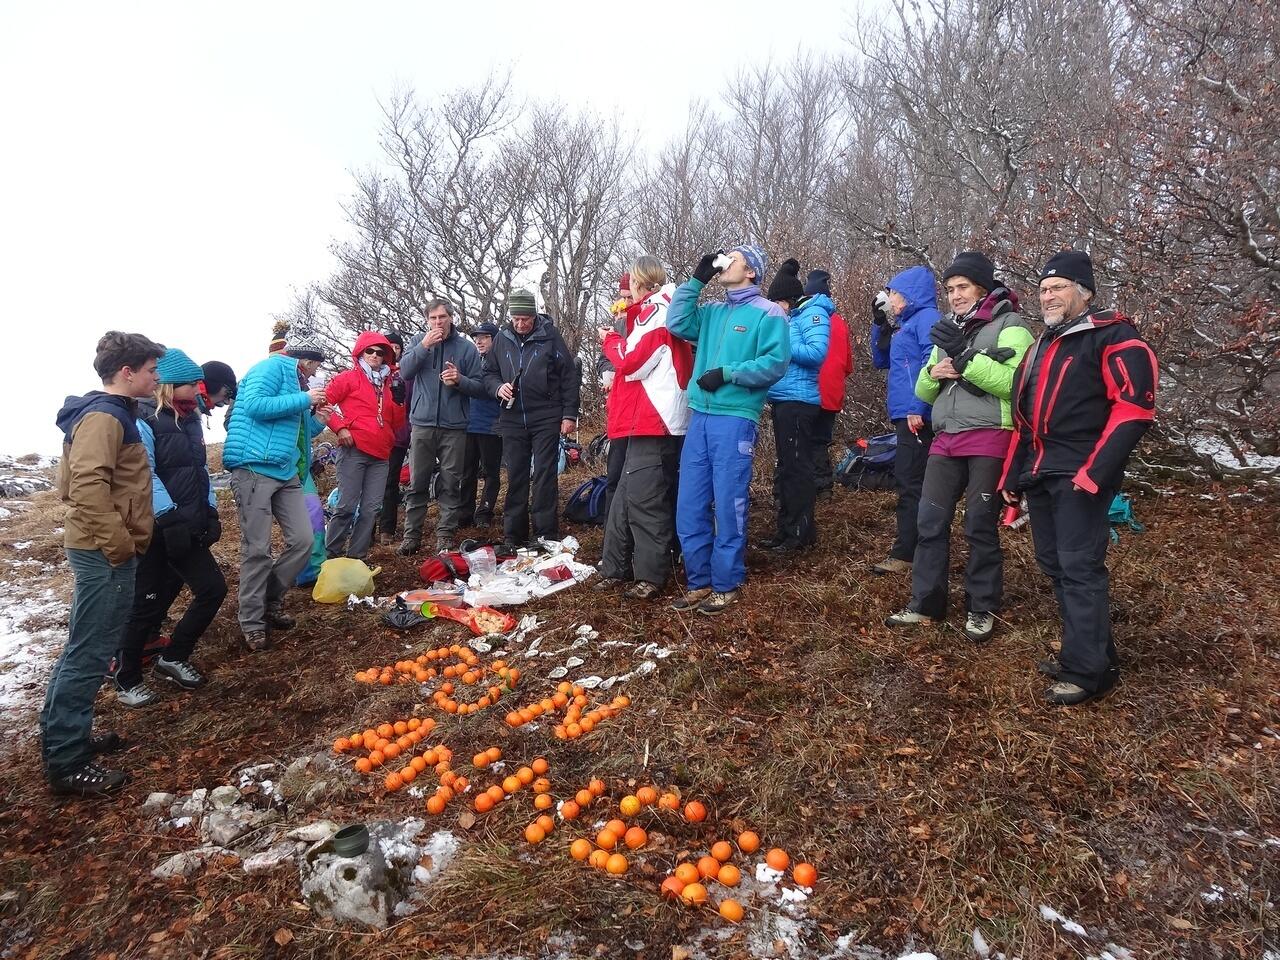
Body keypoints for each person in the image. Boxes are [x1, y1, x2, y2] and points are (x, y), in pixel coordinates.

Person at [999, 250, 1157, 705]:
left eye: (1058, 287)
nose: (1047, 295)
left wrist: (1094, 474)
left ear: (1084, 292)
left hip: (1080, 474)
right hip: (1042, 473)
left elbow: (1134, 409)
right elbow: (1024, 421)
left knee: (1079, 567)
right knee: (1054, 564)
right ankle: (1093, 657)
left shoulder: (1113, 335)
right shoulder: (1041, 345)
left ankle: (1087, 674)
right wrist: (1013, 477)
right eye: (1043, 289)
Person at [885, 252, 1034, 642]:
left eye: (963, 287)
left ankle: (981, 607)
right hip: (946, 437)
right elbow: (924, 389)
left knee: (979, 524)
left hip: (990, 435)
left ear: (982, 288)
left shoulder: (1012, 326)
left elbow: (1016, 385)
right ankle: (925, 603)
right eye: (950, 289)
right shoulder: (948, 328)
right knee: (929, 521)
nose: (955, 295)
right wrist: (934, 373)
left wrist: (966, 360)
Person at [42, 331, 164, 797]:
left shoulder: (111, 414)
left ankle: (64, 737)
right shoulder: (104, 417)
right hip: (102, 552)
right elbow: (83, 487)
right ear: (127, 372)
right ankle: (67, 760)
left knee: (84, 646)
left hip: (101, 547)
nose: (157, 377)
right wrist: (120, 546)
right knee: (90, 652)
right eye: (151, 370)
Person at [667, 245, 790, 615]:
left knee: (728, 503)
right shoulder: (712, 312)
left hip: (735, 417)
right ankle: (699, 582)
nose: (725, 263)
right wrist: (696, 280)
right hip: (700, 417)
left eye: (733, 259)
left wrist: (728, 373)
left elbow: (776, 363)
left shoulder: (768, 312)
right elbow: (677, 323)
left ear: (751, 271)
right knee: (689, 504)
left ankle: (725, 583)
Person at [115, 349, 231, 707]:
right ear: (170, 384)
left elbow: (200, 470)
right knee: (146, 604)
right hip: (158, 527)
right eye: (191, 383)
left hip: (188, 525)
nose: (199, 390)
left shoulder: (191, 418)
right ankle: (126, 677)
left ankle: (174, 656)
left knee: (212, 589)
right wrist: (167, 516)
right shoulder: (145, 419)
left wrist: (210, 511)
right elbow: (144, 473)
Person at [223, 333, 332, 652]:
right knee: (257, 548)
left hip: (286, 470)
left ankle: (270, 600)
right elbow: (255, 406)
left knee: (303, 540)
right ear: (306, 360)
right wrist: (305, 399)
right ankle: (252, 620)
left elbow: (294, 430)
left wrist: (318, 421)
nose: (315, 372)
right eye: (315, 366)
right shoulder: (268, 369)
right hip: (254, 467)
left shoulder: (297, 383)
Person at [594, 256, 693, 599]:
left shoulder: (658, 311)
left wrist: (610, 340)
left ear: (639, 282)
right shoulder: (651, 311)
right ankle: (615, 567)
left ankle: (651, 575)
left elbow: (633, 362)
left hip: (654, 420)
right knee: (623, 499)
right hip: (640, 420)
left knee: (645, 501)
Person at [483, 289, 581, 548]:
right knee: (516, 474)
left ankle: (545, 534)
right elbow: (488, 373)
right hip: (512, 417)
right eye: (516, 318)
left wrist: (569, 414)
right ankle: (513, 535)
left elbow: (569, 376)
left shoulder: (550, 335)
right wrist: (498, 388)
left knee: (545, 475)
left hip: (546, 415)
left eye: (525, 319)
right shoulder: (501, 339)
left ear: (534, 315)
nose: (520, 324)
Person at [398, 300, 485, 554]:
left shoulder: (466, 348)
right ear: (427, 320)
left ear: (451, 318)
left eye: (443, 317)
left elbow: (480, 387)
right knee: (417, 483)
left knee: (450, 483)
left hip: (454, 426)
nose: (438, 322)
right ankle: (411, 537)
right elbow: (404, 372)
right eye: (433, 318)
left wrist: (459, 380)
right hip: (422, 423)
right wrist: (424, 346)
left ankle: (445, 535)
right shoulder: (418, 341)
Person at [869, 266, 940, 575]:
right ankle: (911, 549)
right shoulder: (906, 324)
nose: (891, 299)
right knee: (907, 479)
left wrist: (918, 406)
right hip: (905, 412)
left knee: (911, 482)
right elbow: (880, 361)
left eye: (895, 293)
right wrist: (879, 326)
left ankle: (907, 553)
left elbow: (932, 361)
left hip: (916, 414)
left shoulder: (927, 319)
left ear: (911, 294)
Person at [762, 258, 833, 553]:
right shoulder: (792, 318)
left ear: (786, 300)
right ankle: (786, 530)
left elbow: (817, 353)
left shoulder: (813, 314)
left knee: (797, 468)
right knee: (787, 467)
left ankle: (800, 534)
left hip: (799, 401)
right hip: (784, 400)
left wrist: (783, 345)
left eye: (775, 302)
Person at [323, 331, 405, 560]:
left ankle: (356, 559)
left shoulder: (391, 384)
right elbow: (323, 403)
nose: (375, 355)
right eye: (370, 350)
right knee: (346, 507)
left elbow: (396, 423)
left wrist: (400, 402)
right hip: (354, 450)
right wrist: (340, 428)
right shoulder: (347, 378)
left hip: (381, 454)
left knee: (370, 510)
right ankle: (330, 557)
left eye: (381, 352)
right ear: (360, 352)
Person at [808, 270, 852, 498]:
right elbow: (848, 365)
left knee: (806, 443)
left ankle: (817, 487)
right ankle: (824, 487)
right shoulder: (840, 323)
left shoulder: (805, 318)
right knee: (821, 441)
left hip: (810, 390)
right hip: (833, 394)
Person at [458, 322, 503, 528]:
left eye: (485, 337)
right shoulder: (470, 360)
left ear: (495, 339)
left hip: (492, 425)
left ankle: (484, 513)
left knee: (490, 472)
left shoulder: (503, 362)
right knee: (467, 472)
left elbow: (487, 389)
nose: (479, 341)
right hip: (468, 423)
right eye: (477, 337)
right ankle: (464, 514)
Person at [600, 273, 634, 521]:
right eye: (622, 298)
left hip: (643, 414)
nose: (625, 303)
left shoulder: (654, 322)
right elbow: (604, 359)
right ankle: (611, 528)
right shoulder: (617, 325)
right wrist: (608, 375)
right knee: (614, 473)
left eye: (630, 297)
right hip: (618, 412)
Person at [377, 331, 410, 545]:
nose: (393, 351)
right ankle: (366, 527)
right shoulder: (370, 374)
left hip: (397, 437)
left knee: (391, 482)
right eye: (389, 347)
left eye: (397, 348)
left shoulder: (404, 374)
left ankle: (387, 528)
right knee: (370, 484)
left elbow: (410, 403)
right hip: (372, 436)